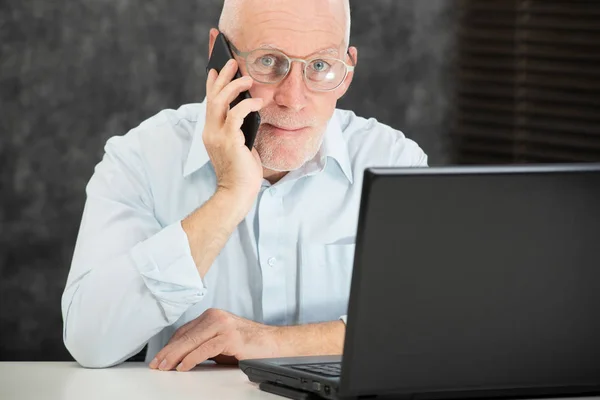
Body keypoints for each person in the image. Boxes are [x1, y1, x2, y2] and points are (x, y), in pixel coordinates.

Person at [61, 0, 428, 371]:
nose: (293, 99)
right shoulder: (140, 159)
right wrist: (230, 196)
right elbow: (90, 342)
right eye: (269, 62)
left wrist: (270, 343)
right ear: (218, 55)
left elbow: (428, 329)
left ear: (346, 73)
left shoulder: (394, 163)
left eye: (320, 66)